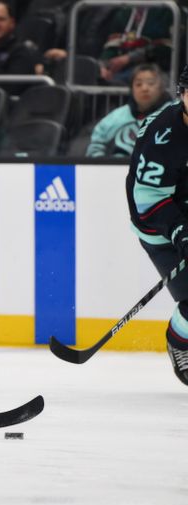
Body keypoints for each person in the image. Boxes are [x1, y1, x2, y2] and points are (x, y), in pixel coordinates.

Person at [125, 65, 188, 386]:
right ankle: (181, 342)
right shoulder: (163, 134)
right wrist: (181, 232)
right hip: (159, 227)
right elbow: (148, 201)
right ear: (182, 94)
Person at [86, 63, 171, 158]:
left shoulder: (177, 116)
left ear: (162, 87)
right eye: (138, 84)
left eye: (151, 83)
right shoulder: (116, 117)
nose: (144, 88)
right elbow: (95, 147)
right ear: (132, 89)